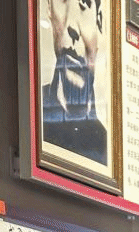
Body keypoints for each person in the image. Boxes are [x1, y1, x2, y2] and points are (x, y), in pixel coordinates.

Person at [41, 0, 108, 164]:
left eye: (84, 3)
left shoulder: (107, 148)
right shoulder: (33, 117)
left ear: (99, 20)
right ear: (50, 9)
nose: (72, 27)